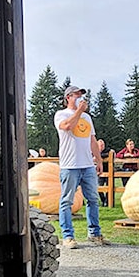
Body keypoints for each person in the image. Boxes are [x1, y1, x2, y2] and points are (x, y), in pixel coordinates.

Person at [54, 85, 108, 249]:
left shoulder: (87, 117)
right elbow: (67, 126)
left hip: (87, 165)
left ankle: (94, 233)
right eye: (77, 95)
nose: (80, 97)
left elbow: (92, 140)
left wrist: (98, 161)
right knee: (67, 201)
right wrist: (79, 111)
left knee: (92, 199)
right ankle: (68, 236)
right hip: (70, 165)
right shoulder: (61, 115)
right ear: (68, 97)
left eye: (81, 95)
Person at [97, 138, 113, 206]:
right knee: (99, 187)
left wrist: (98, 157)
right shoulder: (95, 151)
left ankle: (107, 201)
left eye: (103, 145)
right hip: (99, 173)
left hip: (108, 171)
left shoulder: (108, 150)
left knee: (109, 187)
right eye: (100, 145)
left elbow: (109, 154)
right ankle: (103, 200)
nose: (102, 146)